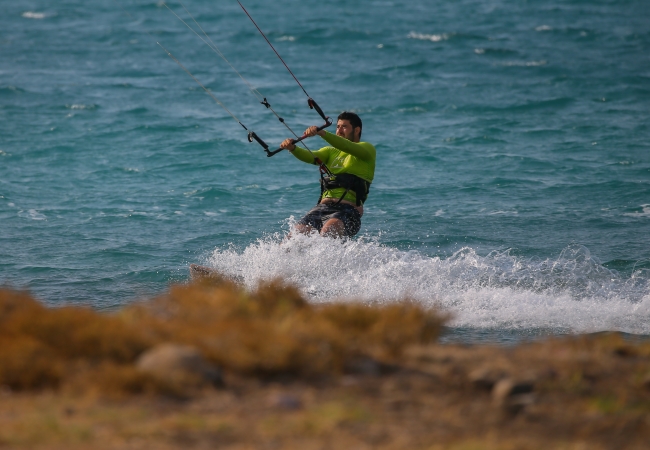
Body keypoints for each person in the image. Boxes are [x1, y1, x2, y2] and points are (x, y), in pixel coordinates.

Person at [280, 111, 376, 238]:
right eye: (337, 127)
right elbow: (310, 157)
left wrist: (322, 133)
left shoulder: (367, 149)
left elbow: (346, 146)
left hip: (348, 211)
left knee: (328, 231)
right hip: (321, 208)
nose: (339, 130)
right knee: (294, 236)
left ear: (357, 130)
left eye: (344, 127)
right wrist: (293, 148)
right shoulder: (330, 152)